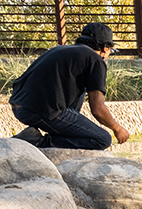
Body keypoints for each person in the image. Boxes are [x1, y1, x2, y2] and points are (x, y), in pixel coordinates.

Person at [10, 22, 130, 150]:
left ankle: (36, 137)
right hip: (43, 111)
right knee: (102, 139)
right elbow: (97, 109)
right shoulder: (95, 59)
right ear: (105, 48)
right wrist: (117, 128)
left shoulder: (60, 49)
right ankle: (38, 141)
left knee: (83, 87)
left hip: (20, 107)